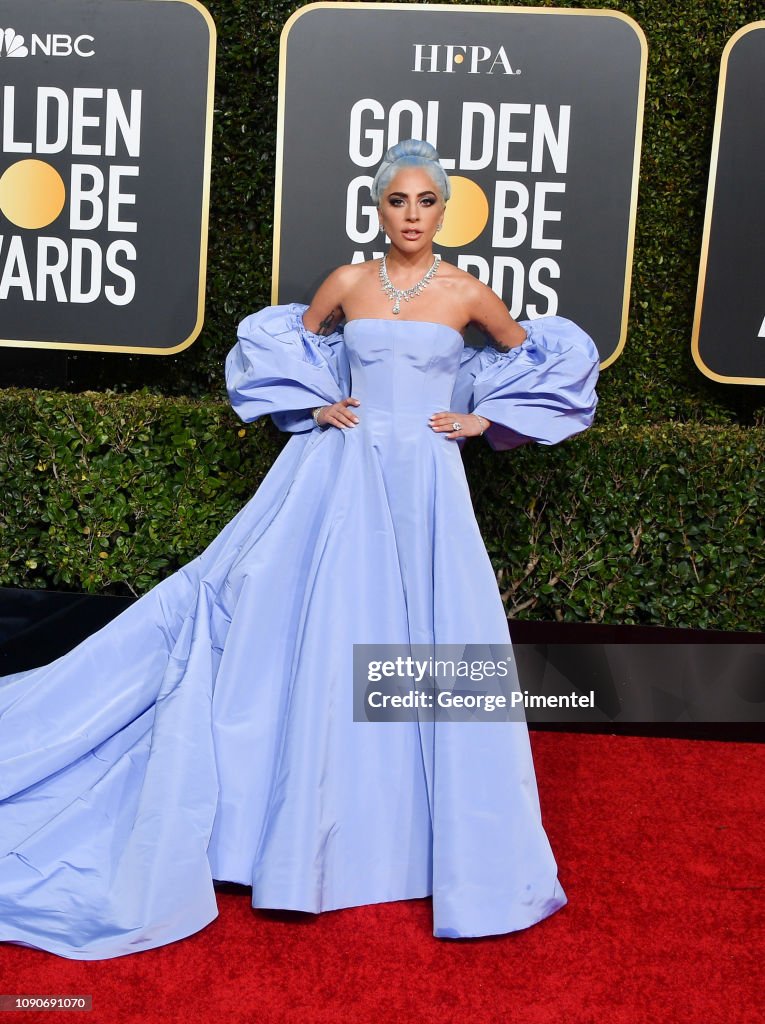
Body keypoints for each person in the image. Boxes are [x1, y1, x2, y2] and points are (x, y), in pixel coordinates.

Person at [0, 139, 599, 960]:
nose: (412, 216)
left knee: (424, 635)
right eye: (399, 201)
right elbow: (284, 343)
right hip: (336, 476)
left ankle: (418, 834)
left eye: (427, 202)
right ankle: (279, 831)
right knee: (311, 632)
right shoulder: (348, 282)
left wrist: (487, 421)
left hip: (424, 485)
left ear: (444, 210)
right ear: (379, 206)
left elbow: (541, 358)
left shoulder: (468, 292)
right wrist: (316, 405)